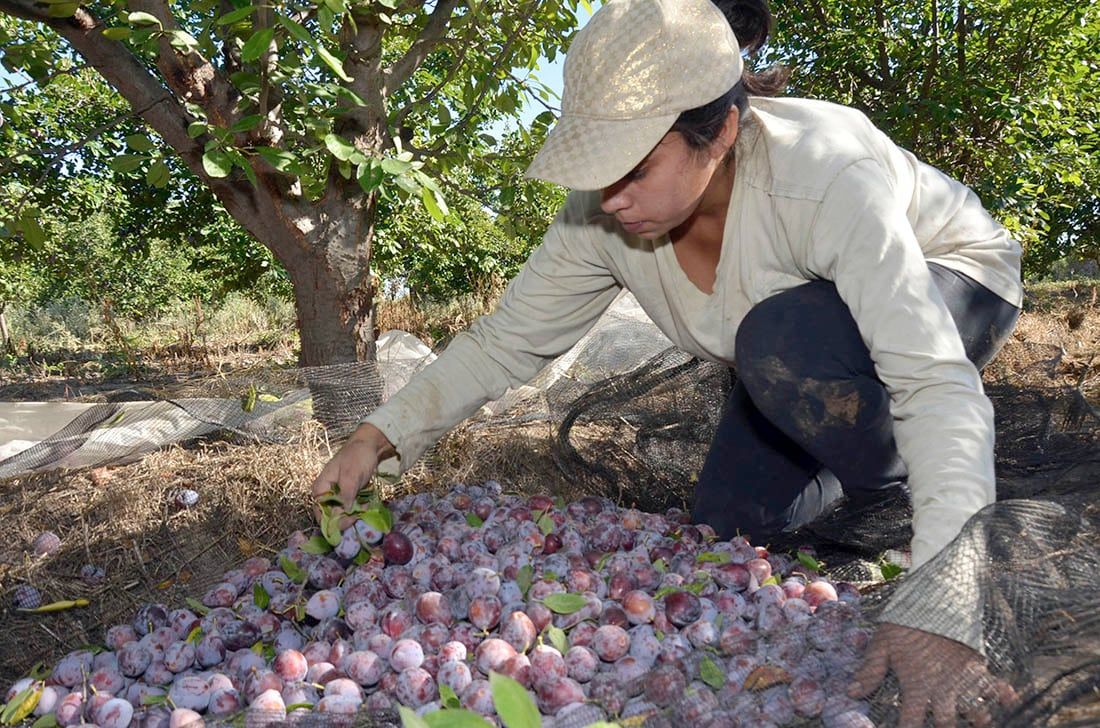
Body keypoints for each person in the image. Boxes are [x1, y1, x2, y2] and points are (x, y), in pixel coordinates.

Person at [312, 0, 1023, 724]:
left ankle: (916, 501)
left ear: (719, 132)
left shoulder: (822, 172)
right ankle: (875, 466)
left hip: (954, 282)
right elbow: (506, 340)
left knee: (781, 345)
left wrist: (944, 607)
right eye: (600, 170)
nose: (612, 196)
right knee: (727, 524)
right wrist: (380, 437)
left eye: (636, 167)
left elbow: (932, 379)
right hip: (799, 354)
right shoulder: (601, 215)